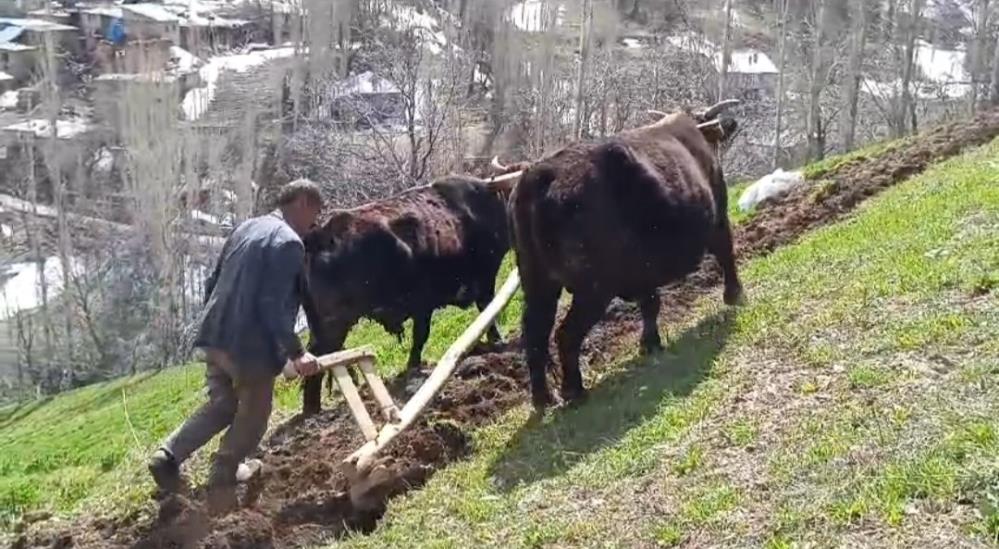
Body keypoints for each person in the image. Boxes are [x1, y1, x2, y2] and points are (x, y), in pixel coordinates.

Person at [148, 179, 324, 513]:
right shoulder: (288, 242)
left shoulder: (247, 227)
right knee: (254, 415)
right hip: (249, 343)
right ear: (301, 202)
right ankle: (222, 477)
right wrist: (297, 353)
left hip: (216, 333)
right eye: (314, 214)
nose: (313, 224)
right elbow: (272, 303)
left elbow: (213, 281)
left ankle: (168, 455)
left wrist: (217, 328)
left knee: (224, 403)